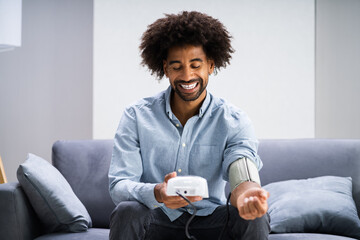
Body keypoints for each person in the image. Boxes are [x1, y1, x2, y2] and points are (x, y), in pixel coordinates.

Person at [109, 11, 270, 240]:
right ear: (165, 69)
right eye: (177, 67)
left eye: (196, 65)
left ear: (210, 66)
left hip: (213, 220)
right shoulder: (136, 116)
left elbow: (241, 164)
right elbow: (119, 186)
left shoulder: (233, 119)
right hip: (158, 217)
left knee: (254, 216)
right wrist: (158, 193)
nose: (187, 75)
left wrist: (247, 195)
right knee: (128, 210)